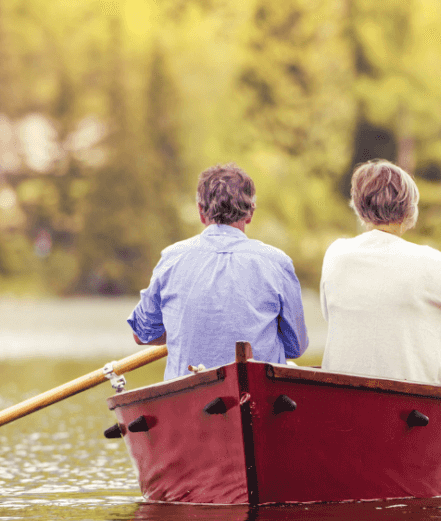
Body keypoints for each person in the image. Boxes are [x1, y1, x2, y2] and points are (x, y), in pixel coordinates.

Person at [319, 160, 441, 385]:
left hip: (341, 398)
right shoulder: (433, 263)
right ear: (410, 210)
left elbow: (332, 315)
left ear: (358, 207)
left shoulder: (336, 254)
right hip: (412, 406)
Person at [128, 163, 309, 380]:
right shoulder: (278, 262)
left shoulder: (172, 258)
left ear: (201, 211)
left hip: (189, 392)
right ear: (250, 213)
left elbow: (142, 334)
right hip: (259, 385)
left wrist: (189, 333)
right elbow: (295, 346)